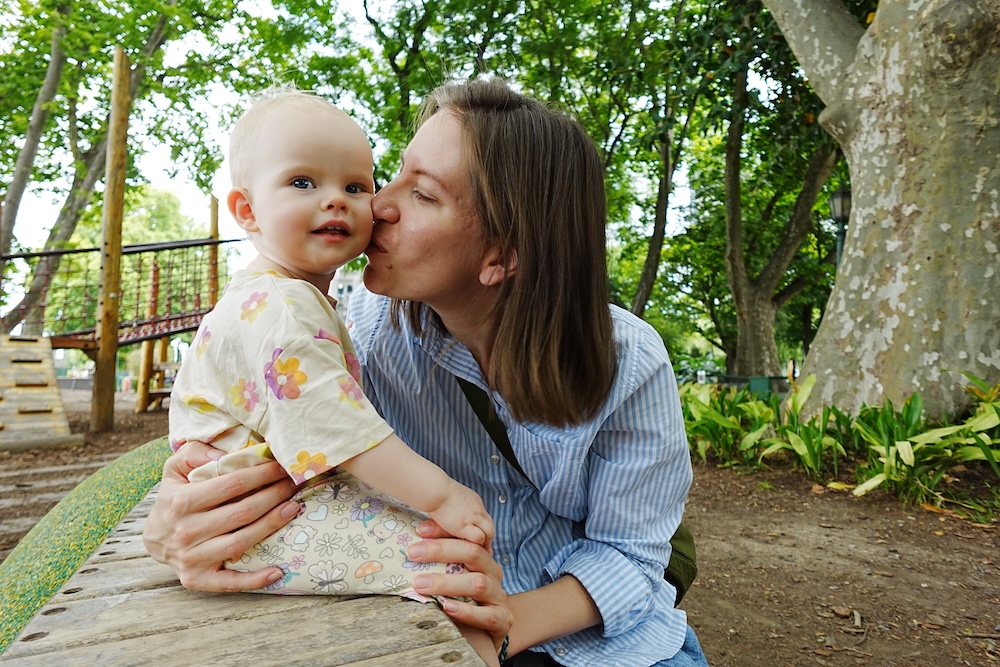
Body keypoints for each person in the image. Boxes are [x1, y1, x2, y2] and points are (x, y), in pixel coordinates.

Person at [145, 78, 709, 667]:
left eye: (424, 194)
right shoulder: (347, 328)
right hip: (421, 620)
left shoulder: (626, 361)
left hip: (610, 648)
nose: (379, 204)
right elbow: (237, 424)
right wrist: (174, 524)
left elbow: (634, 557)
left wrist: (503, 621)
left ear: (502, 256)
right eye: (395, 174)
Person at [166, 87, 499, 665]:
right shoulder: (279, 309)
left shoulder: (289, 300)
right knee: (453, 567)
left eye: (355, 186)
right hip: (258, 525)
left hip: (278, 510)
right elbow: (341, 434)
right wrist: (443, 495)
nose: (335, 201)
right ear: (246, 211)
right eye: (302, 182)